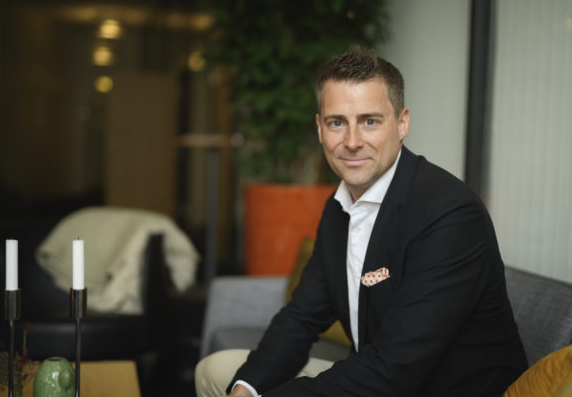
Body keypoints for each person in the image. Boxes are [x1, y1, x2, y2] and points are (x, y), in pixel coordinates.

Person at [195, 46, 528, 397]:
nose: (352, 142)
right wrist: (246, 388)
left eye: (370, 121)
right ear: (320, 129)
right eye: (337, 122)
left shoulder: (451, 214)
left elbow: (394, 369)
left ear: (402, 123)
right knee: (216, 372)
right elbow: (302, 316)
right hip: (378, 376)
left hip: (433, 388)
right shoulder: (339, 206)